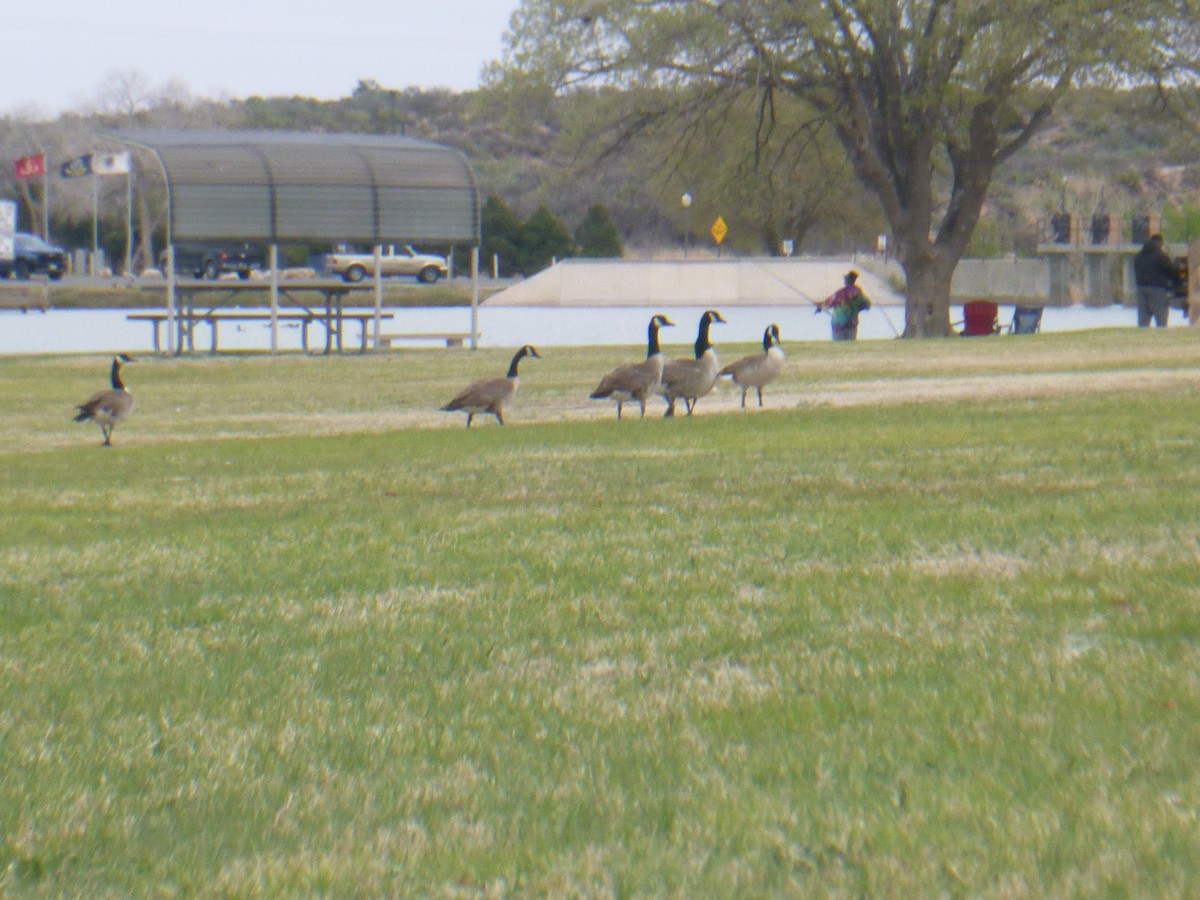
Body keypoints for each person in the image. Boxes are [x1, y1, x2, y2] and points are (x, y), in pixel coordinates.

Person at [1133, 234, 1182, 328]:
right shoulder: (1160, 256)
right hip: (1157, 290)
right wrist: (1179, 272)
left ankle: (1141, 340)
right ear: (1159, 243)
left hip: (1141, 289)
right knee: (1161, 321)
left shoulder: (1138, 256)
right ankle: (1161, 339)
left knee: (1143, 323)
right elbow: (1172, 271)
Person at [817, 270, 871, 341]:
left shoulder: (840, 293)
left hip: (838, 324)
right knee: (850, 346)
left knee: (838, 346)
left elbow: (827, 303)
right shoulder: (859, 294)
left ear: (847, 280)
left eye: (845, 279)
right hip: (852, 324)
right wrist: (857, 309)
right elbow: (867, 305)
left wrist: (820, 306)